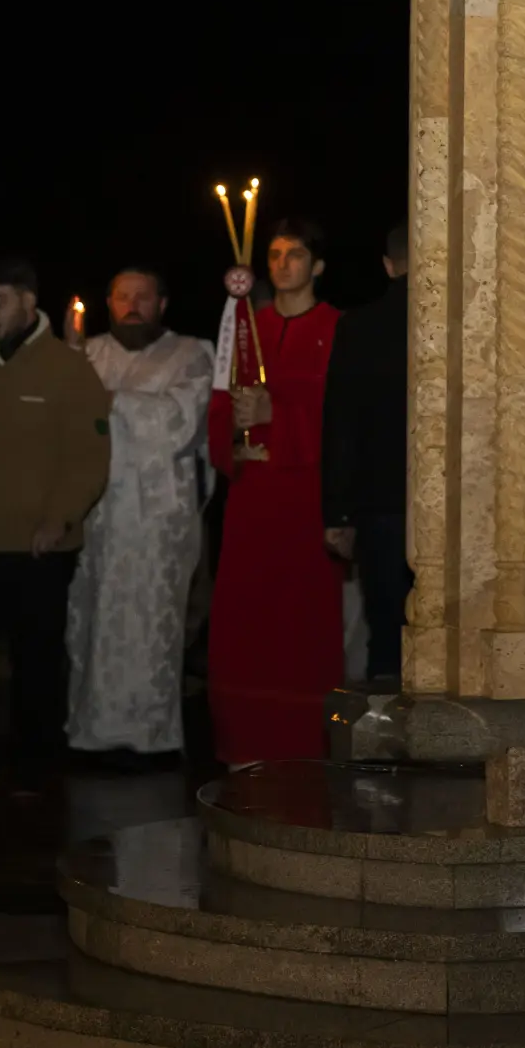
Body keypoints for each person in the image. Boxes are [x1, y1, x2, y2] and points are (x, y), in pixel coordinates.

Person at [0, 256, 111, 786]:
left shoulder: (70, 369)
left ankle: (37, 763)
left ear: (29, 301)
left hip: (40, 545)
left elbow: (89, 458)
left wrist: (59, 519)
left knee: (37, 659)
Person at [207, 216, 343, 762]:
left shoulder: (337, 329)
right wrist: (232, 439)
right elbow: (219, 404)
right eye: (275, 254)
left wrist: (278, 416)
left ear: (318, 265)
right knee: (246, 621)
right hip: (252, 500)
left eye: (295, 254)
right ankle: (245, 743)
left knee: (302, 623)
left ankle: (308, 746)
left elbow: (347, 421)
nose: (283, 264)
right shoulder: (245, 328)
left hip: (307, 500)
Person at [66, 265, 213, 762]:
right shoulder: (85, 354)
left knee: (153, 625)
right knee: (92, 620)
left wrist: (108, 402)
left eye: (142, 296)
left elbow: (182, 420)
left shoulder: (191, 354)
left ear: (162, 304)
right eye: (122, 296)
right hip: (97, 514)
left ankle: (152, 737)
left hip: (158, 520)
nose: (132, 305)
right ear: (108, 303)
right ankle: (89, 733)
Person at [323, 223, 411, 685]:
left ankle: (384, 721)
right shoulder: (467, 319)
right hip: (459, 498)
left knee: (386, 629)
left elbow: (342, 422)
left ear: (388, 265)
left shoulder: (358, 327)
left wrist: (338, 511)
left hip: (381, 499)